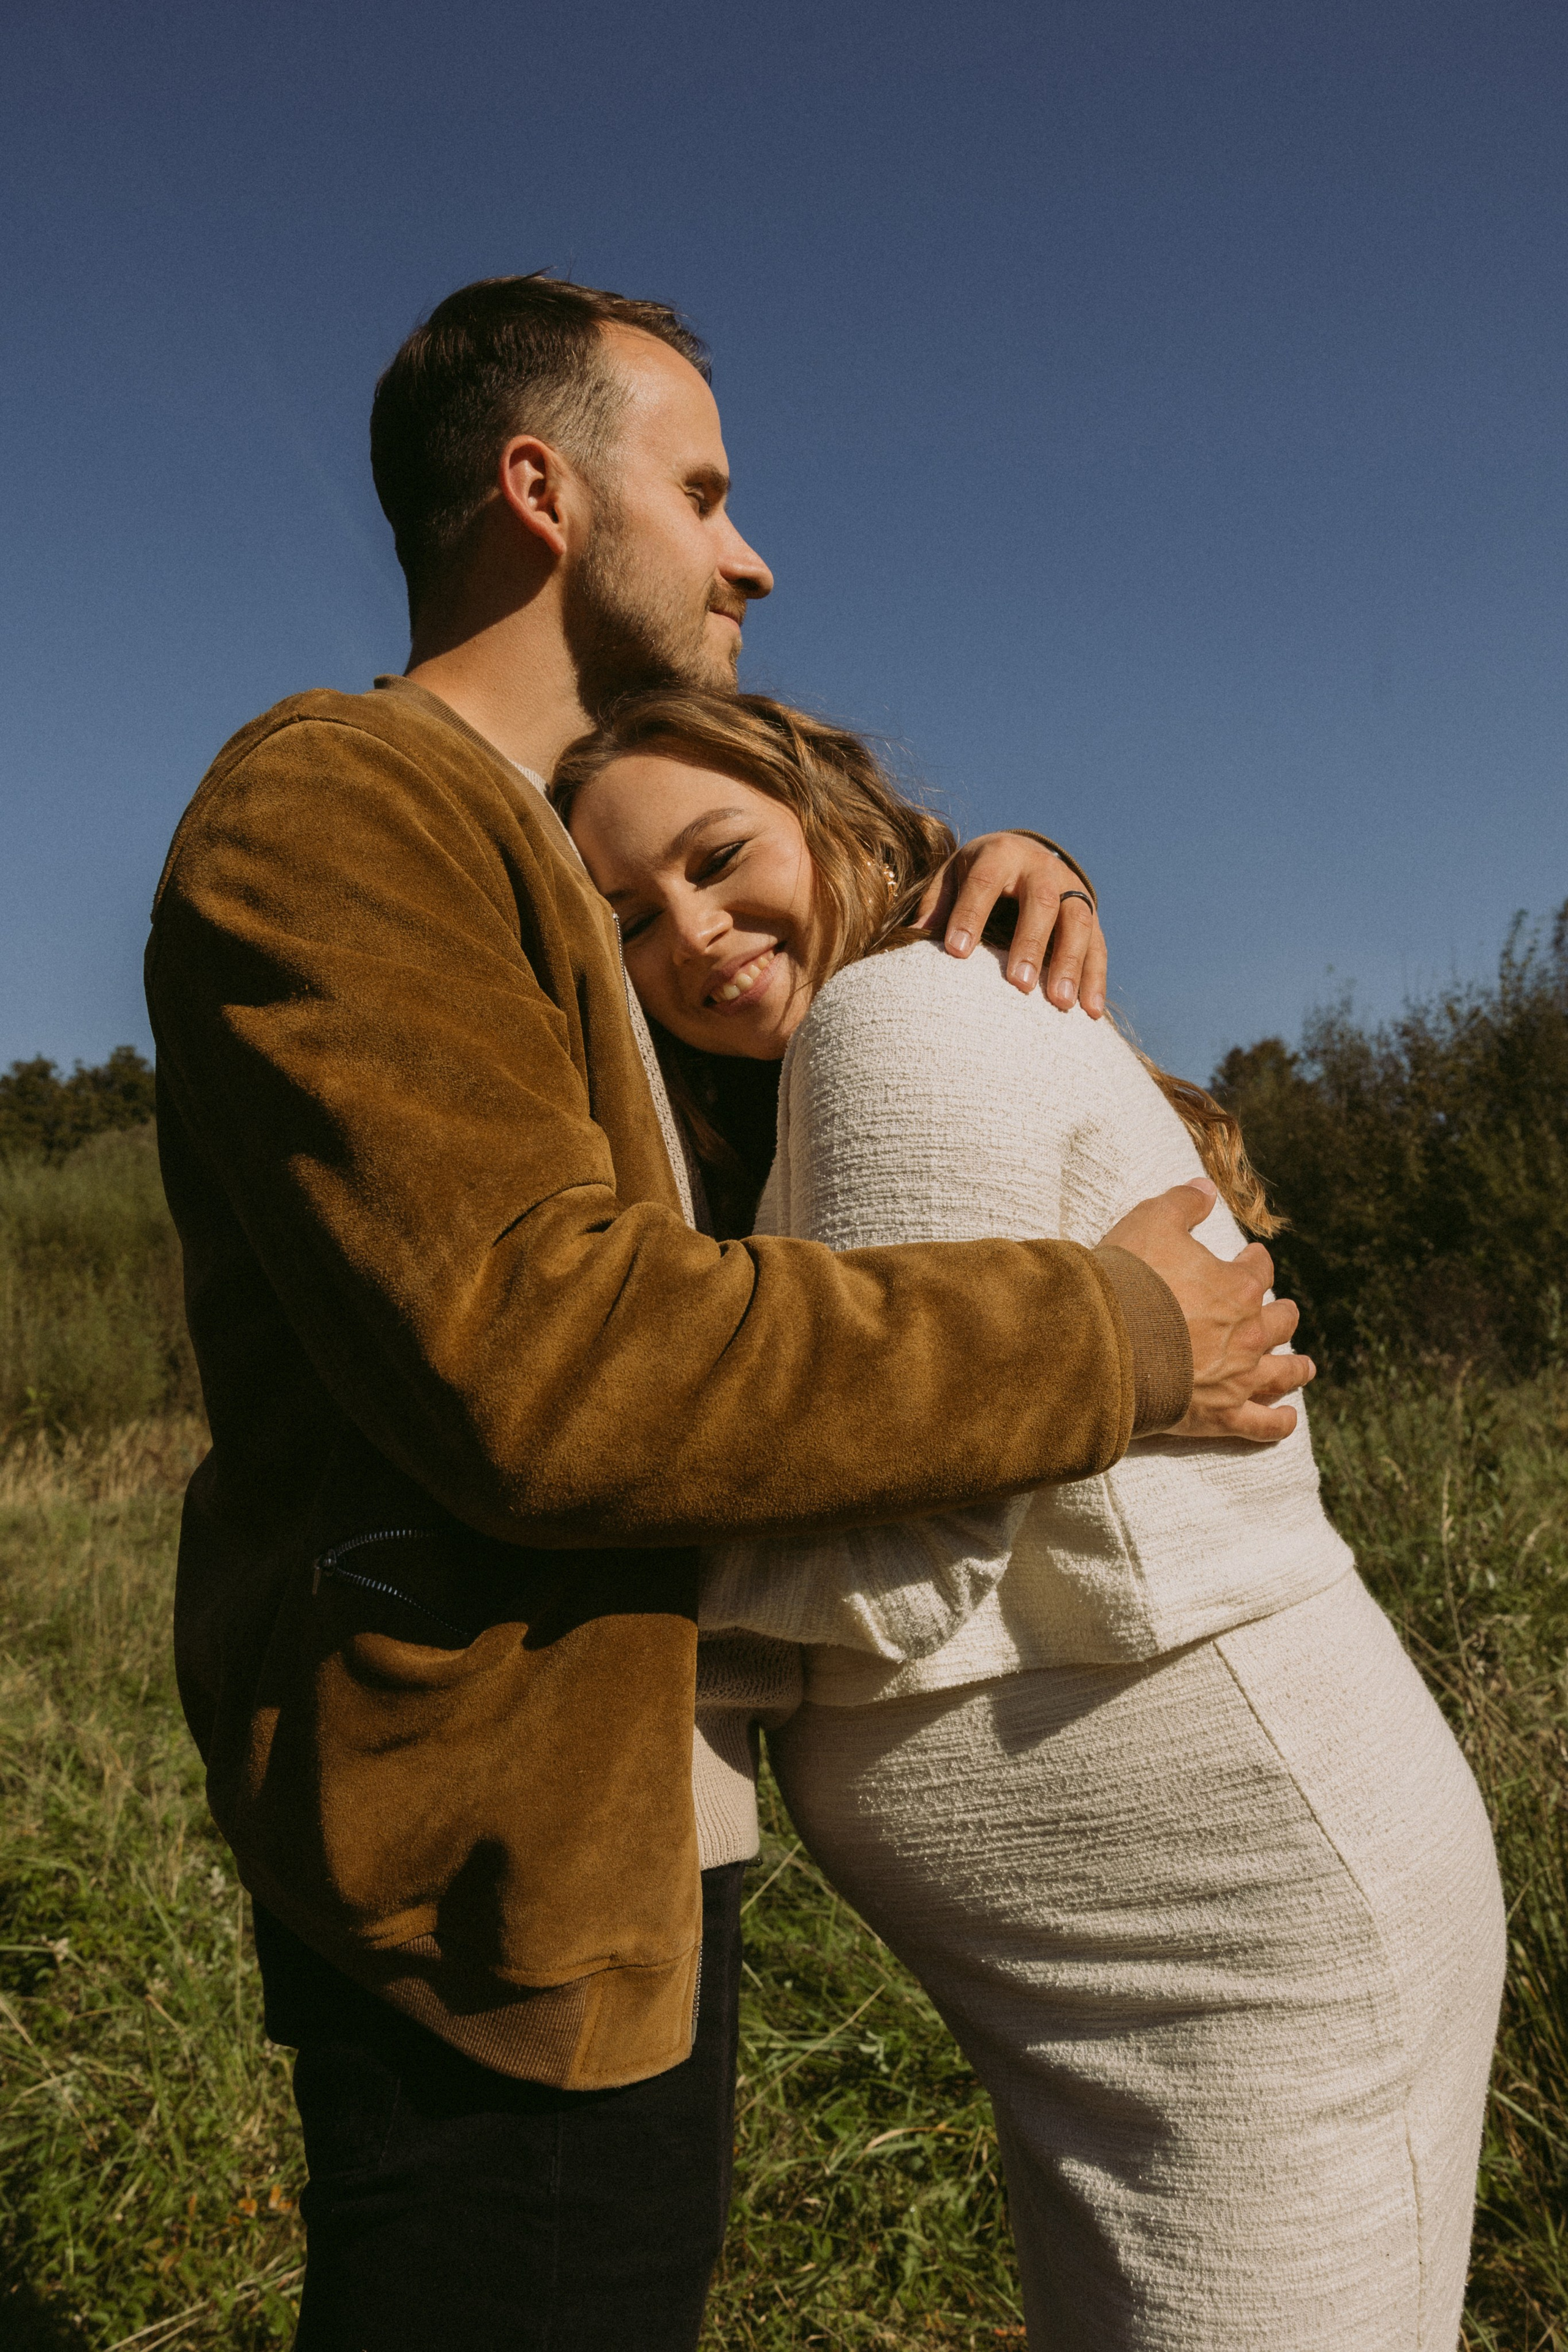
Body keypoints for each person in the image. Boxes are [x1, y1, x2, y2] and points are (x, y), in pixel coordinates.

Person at [145, 275, 1312, 2352]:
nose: (751, 552)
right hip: (484, 1875)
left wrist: (989, 873)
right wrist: (1116, 1344)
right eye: (701, 489)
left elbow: (817, 1035)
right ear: (543, 492)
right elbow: (550, 1361)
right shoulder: (338, 808)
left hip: (610, 1842)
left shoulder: (554, 875)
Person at [554, 687, 1507, 2352]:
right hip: (1150, 1988)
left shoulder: (890, 1029)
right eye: (629, 920)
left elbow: (895, 1570)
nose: (691, 935)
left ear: (832, 815)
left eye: (719, 858)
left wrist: (566, 1503)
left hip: (1250, 1967)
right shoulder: (810, 1098)